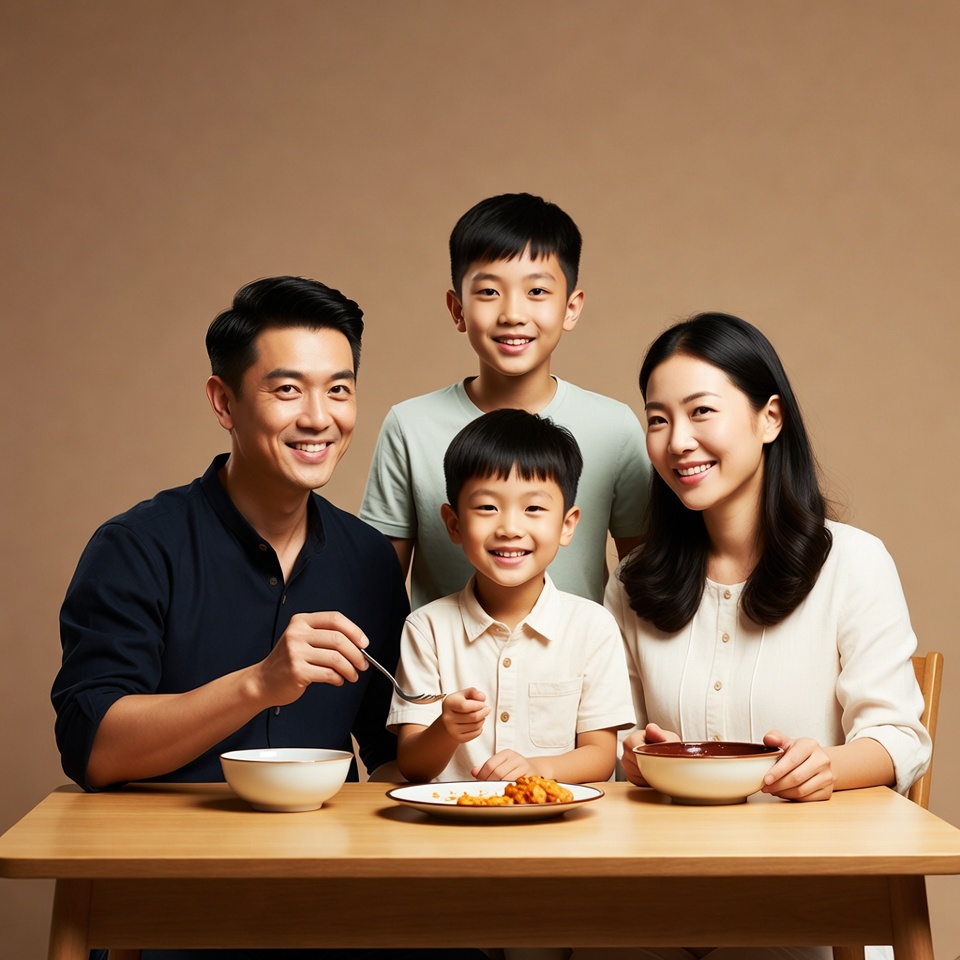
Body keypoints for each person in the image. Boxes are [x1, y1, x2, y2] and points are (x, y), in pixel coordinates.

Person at [52, 275, 484, 960]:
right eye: (287, 390)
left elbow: (390, 755)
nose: (319, 417)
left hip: (331, 887)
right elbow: (92, 749)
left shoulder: (367, 557)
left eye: (339, 389)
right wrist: (259, 683)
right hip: (170, 891)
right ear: (223, 402)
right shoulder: (136, 546)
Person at [585, 312, 932, 960]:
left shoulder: (852, 564)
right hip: (658, 897)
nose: (677, 441)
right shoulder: (633, 582)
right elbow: (611, 746)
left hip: (809, 903)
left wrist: (824, 765)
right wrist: (631, 754)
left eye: (701, 412)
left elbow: (898, 740)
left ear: (770, 418)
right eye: (658, 420)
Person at [360, 192, 650, 609]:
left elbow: (643, 579)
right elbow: (378, 590)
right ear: (457, 309)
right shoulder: (410, 426)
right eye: (489, 292)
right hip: (444, 671)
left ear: (571, 308)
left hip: (578, 672)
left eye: (536, 291)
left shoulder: (614, 427)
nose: (512, 313)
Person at [389, 408, 635, 786]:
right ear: (454, 524)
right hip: (449, 834)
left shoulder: (593, 627)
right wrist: (445, 728)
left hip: (559, 832)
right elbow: (412, 765)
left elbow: (600, 758)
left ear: (567, 525)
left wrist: (540, 770)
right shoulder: (427, 628)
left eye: (533, 508)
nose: (509, 528)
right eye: (487, 507)